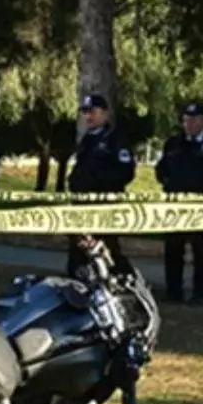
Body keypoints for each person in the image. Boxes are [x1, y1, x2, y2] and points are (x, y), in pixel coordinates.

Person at [156, 102, 203, 305]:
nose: (189, 124)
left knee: (200, 250)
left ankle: (201, 293)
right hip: (175, 205)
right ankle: (173, 291)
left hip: (202, 205)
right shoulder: (174, 144)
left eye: (194, 119)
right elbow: (161, 170)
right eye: (186, 119)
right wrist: (168, 184)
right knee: (173, 249)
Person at [65, 93, 136, 276]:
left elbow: (126, 171)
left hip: (104, 205)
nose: (89, 116)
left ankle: (122, 277)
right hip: (82, 205)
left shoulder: (116, 139)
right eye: (86, 113)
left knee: (107, 246)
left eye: (93, 112)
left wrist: (99, 183)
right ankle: (78, 281)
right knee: (79, 246)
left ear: (105, 114)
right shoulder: (88, 139)